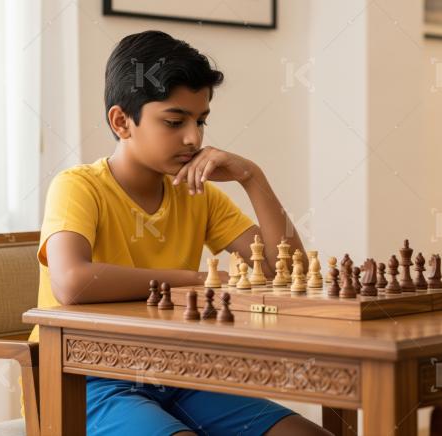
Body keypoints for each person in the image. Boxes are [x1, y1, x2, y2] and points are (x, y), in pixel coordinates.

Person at [31, 30, 328, 436]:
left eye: (201, 121)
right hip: (84, 377)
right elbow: (72, 282)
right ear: (122, 121)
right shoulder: (78, 186)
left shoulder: (195, 193)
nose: (194, 138)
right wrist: (193, 281)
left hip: (180, 373)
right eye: (174, 121)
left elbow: (286, 271)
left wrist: (251, 177)